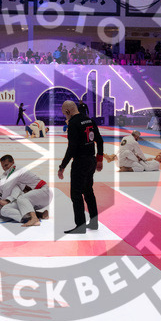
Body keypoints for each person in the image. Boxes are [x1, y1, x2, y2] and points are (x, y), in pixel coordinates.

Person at [57, 100, 103, 234]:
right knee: (88, 191)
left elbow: (72, 148)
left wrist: (62, 166)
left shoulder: (73, 124)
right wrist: (99, 159)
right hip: (91, 160)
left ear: (67, 111)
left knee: (76, 194)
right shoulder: (89, 120)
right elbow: (99, 140)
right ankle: (94, 223)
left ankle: (80, 225)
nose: (65, 117)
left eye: (64, 114)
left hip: (80, 162)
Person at [0, 154, 52, 226]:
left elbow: (9, 187)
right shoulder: (6, 175)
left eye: (6, 165)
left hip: (43, 192)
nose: (5, 168)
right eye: (3, 166)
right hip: (34, 197)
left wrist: (6, 201)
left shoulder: (14, 170)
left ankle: (34, 218)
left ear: (13, 162)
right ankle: (40, 214)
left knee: (21, 199)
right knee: (5, 210)